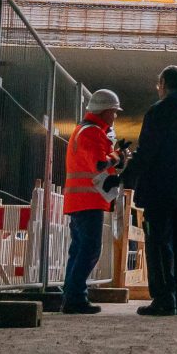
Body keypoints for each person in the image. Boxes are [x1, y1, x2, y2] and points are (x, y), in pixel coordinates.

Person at [123, 66, 177, 316]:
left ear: (163, 84)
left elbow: (146, 152)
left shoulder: (157, 111)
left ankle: (164, 299)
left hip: (158, 191)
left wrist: (127, 177)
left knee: (158, 244)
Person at [60, 87, 125, 314]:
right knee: (90, 249)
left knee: (78, 249)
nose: (115, 116)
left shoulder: (83, 130)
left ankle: (70, 296)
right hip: (87, 201)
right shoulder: (92, 132)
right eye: (114, 112)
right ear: (105, 111)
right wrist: (119, 157)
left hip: (79, 201)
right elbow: (99, 164)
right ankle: (75, 297)